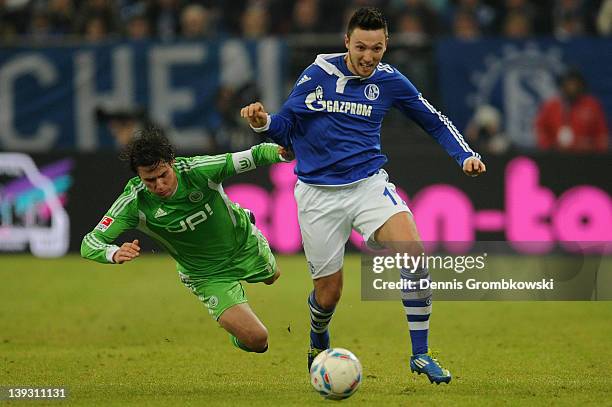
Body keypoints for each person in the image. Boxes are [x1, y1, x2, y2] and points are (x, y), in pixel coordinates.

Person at [240, 7, 486, 385]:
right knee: (329, 294)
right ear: (346, 43)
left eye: (377, 48)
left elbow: (432, 118)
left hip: (368, 185)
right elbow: (286, 128)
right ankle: (318, 337)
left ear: (386, 45)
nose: (369, 56)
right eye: (361, 48)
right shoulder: (317, 75)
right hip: (318, 195)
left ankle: (420, 354)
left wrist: (464, 154)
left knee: (413, 252)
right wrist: (265, 123)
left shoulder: (390, 81)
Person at [81, 127, 292, 353]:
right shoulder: (134, 203)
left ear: (172, 162)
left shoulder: (199, 171)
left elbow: (256, 154)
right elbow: (90, 242)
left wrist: (284, 154)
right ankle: (237, 330)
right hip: (204, 273)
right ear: (138, 177)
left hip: (243, 243)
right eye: (150, 180)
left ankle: (244, 218)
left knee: (272, 277)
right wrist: (112, 253)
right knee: (258, 341)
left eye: (163, 175)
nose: (159, 185)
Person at [535, 69, 609, 153]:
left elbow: (601, 133)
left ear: (581, 85)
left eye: (575, 84)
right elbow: (540, 128)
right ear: (563, 86)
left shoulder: (592, 105)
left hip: (586, 156)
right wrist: (548, 145)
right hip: (556, 155)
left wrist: (596, 149)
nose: (572, 87)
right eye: (569, 84)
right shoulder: (551, 106)